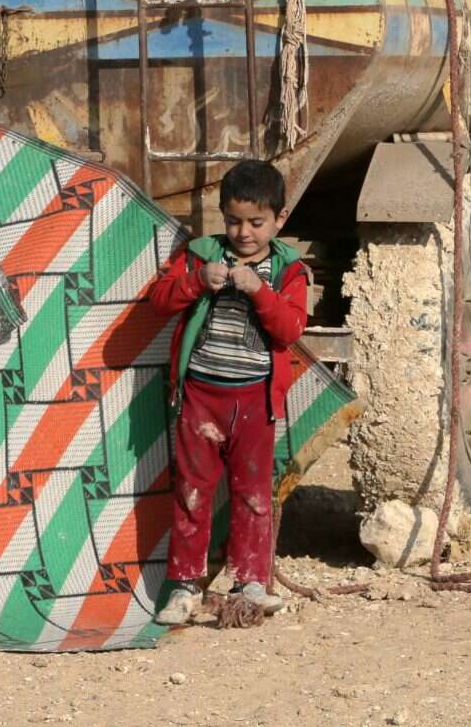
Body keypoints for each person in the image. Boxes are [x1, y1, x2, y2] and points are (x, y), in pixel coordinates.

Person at [144, 159, 309, 626]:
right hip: (201, 395)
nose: (244, 233)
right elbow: (159, 300)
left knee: (254, 494)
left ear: (279, 220)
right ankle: (184, 586)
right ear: (222, 216)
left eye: (257, 223)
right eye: (234, 220)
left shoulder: (288, 270)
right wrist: (196, 282)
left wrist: (259, 290)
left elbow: (291, 328)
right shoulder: (200, 255)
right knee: (192, 493)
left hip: (254, 401)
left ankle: (250, 583)